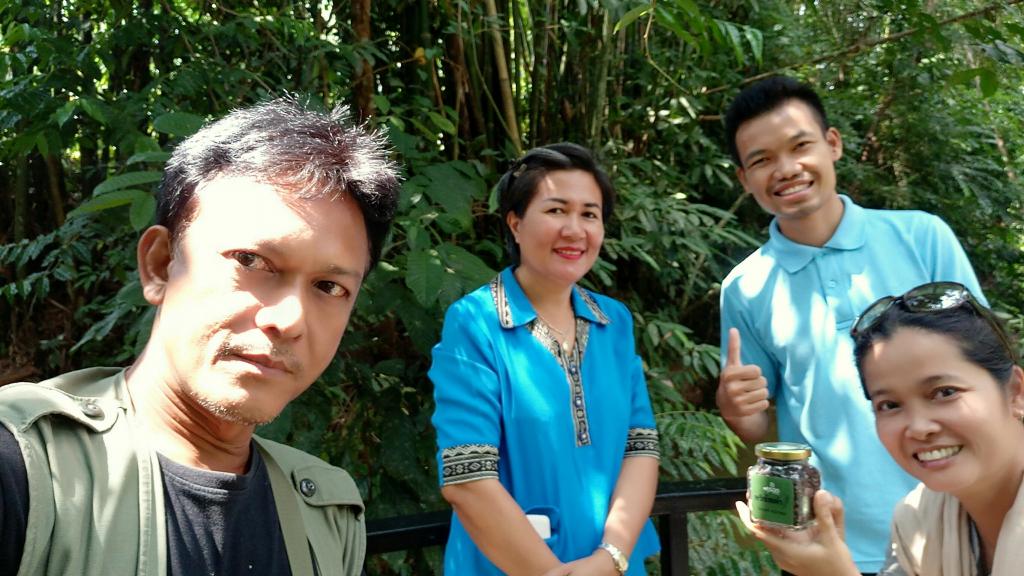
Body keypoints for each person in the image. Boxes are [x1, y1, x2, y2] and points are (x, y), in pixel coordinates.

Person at [0, 97, 400, 576]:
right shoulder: (24, 467)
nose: (291, 319)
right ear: (160, 265)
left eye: (330, 287)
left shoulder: (326, 513)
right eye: (252, 261)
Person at [715, 76, 987, 574]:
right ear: (744, 179)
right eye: (762, 159)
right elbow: (759, 427)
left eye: (800, 146)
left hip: (953, 526)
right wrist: (736, 410)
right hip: (828, 542)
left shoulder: (922, 237)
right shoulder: (745, 287)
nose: (786, 169)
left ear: (833, 144)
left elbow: (988, 371)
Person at [429, 143, 661, 575]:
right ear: (515, 223)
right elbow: (468, 476)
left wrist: (610, 558)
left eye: (589, 214)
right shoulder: (475, 323)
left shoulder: (614, 322)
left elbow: (640, 448)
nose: (575, 229)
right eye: (556, 210)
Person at [736, 281, 1024, 576]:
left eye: (945, 392)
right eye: (889, 405)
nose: (919, 427)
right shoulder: (916, 521)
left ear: (1015, 392)